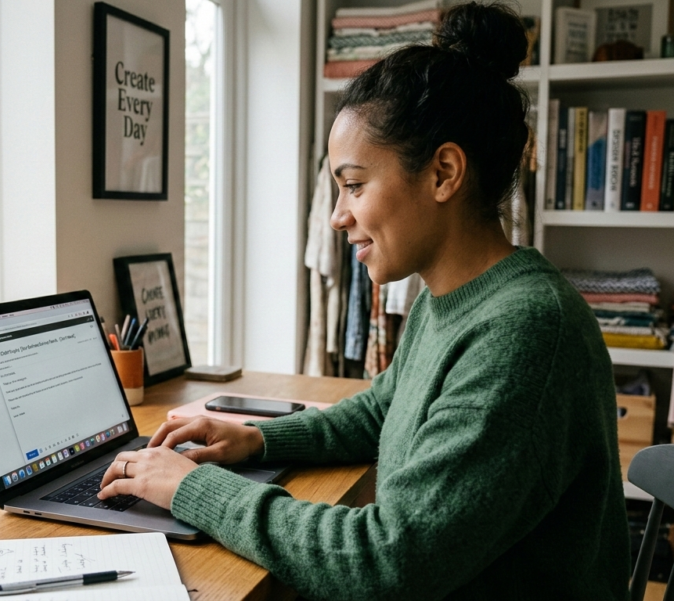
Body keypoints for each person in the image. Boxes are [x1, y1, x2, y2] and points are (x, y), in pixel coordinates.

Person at [98, 2, 630, 599]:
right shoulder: (452, 296)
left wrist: (192, 490)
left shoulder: (525, 332)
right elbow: (384, 408)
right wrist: (259, 439)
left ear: (443, 173)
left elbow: (386, 560)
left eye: (354, 184)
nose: (336, 216)